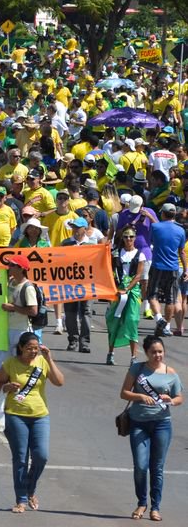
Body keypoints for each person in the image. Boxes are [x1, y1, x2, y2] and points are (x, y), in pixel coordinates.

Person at [0, 332, 65, 513]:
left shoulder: (42, 361)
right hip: (15, 415)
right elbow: (0, 383)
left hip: (40, 415)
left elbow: (59, 382)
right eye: (29, 348)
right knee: (20, 459)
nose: (33, 351)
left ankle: (30, 487)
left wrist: (49, 358)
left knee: (41, 455)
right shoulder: (10, 363)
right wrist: (7, 387)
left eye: (36, 348)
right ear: (21, 348)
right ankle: (21, 499)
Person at [119, 335, 183, 521]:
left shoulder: (170, 372)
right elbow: (124, 393)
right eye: (153, 352)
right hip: (138, 423)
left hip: (162, 424)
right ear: (146, 353)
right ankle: (141, 502)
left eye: (160, 351)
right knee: (140, 465)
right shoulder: (137, 368)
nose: (158, 355)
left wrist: (171, 400)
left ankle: (155, 507)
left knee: (157, 467)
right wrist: (140, 397)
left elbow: (179, 398)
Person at [0, 254, 40, 396]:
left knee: (18, 364)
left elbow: (33, 311)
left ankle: (17, 394)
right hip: (5, 329)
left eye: (12, 265)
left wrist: (13, 308)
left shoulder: (27, 287)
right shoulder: (11, 282)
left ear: (21, 268)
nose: (9, 267)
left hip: (20, 331)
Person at [108, 228, 146, 365]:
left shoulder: (140, 255)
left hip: (133, 291)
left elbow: (138, 276)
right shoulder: (116, 253)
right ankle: (110, 353)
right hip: (118, 290)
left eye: (131, 237)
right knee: (114, 320)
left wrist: (127, 288)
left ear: (135, 238)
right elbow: (110, 271)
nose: (128, 239)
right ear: (122, 238)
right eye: (126, 237)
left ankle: (133, 356)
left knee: (132, 320)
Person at [147, 202, 186, 338]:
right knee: (171, 299)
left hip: (158, 266)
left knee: (152, 295)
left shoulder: (155, 227)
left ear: (162, 213)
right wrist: (186, 269)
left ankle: (159, 319)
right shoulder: (181, 230)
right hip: (174, 267)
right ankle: (167, 326)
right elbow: (182, 252)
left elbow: (151, 240)